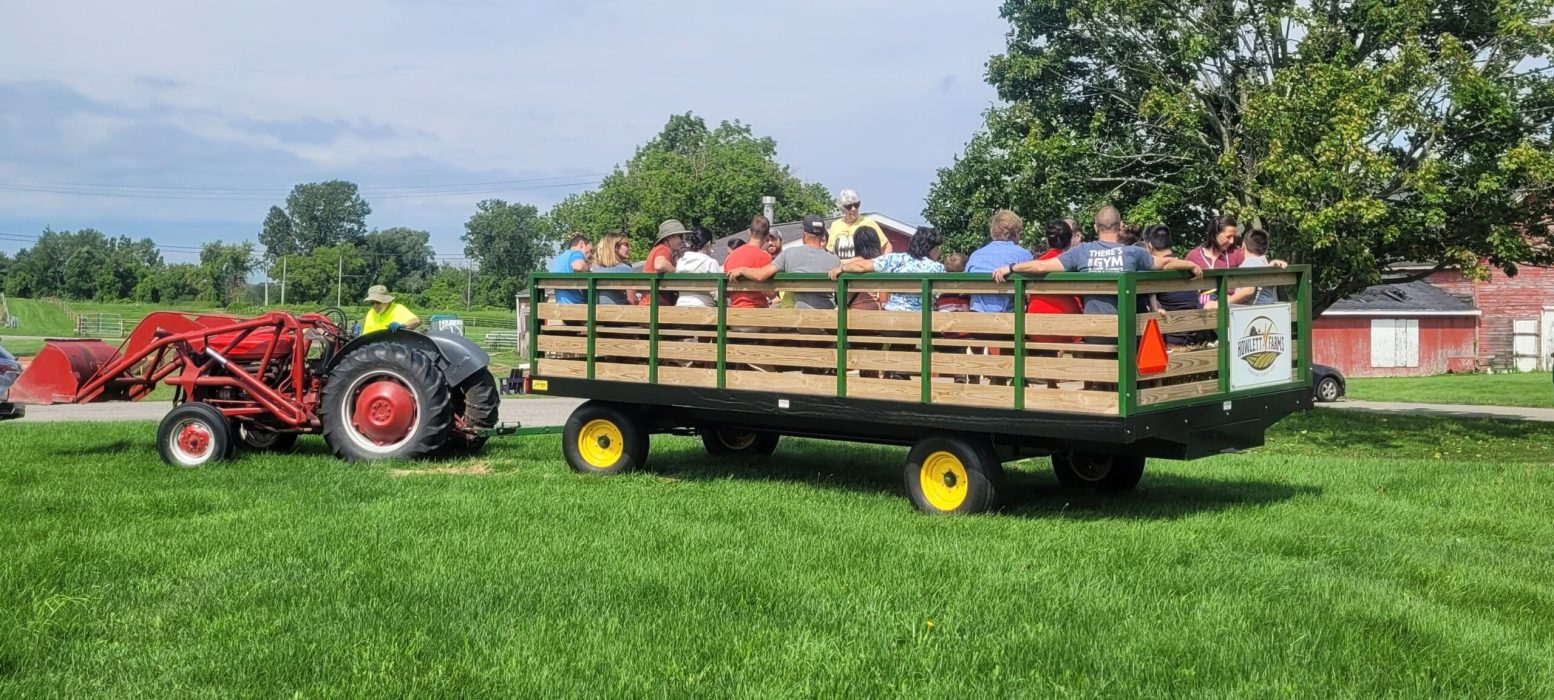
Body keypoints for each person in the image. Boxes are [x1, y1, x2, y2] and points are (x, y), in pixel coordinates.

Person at [994, 205, 1202, 316]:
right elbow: (1165, 263)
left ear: (1095, 227)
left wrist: (1011, 267)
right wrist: (1191, 264)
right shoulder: (1133, 253)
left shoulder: (1082, 251)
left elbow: (1039, 266)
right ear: (1120, 226)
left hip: (1094, 330)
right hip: (1126, 330)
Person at [728, 214, 840, 309]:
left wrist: (742, 270)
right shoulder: (835, 261)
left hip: (802, 322)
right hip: (829, 323)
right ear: (822, 236)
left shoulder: (789, 254)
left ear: (804, 235)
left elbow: (761, 276)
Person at [830, 226, 944, 311]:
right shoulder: (937, 268)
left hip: (892, 321)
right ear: (931, 249)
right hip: (924, 322)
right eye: (938, 248)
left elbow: (861, 266)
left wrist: (842, 268)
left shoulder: (894, 259)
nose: (939, 252)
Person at [1143, 225, 1212, 347]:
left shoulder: (1155, 273)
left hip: (1172, 341)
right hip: (1198, 337)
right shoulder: (1186, 267)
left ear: (1150, 246)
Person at [1025, 219, 1083, 342]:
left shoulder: (1037, 263)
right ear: (1069, 240)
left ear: (1048, 240)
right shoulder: (1070, 263)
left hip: (1034, 325)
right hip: (1066, 326)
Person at [967, 209, 1033, 313]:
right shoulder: (1023, 255)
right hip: (1012, 321)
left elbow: (964, 285)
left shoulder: (975, 256)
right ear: (1015, 233)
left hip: (978, 321)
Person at [726, 215, 776, 310]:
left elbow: (726, 292)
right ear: (767, 236)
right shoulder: (766, 258)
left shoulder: (730, 257)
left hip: (733, 313)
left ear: (749, 232)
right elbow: (772, 294)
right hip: (758, 313)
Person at [827, 189, 890, 260]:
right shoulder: (835, 225)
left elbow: (887, 246)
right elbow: (830, 251)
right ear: (842, 208)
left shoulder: (868, 223)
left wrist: (881, 263)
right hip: (840, 268)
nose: (853, 209)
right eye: (849, 206)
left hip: (863, 268)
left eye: (856, 205)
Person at [638, 219, 689, 306]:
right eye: (680, 236)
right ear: (669, 237)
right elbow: (660, 265)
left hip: (652, 303)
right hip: (655, 305)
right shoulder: (664, 249)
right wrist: (677, 271)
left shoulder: (659, 249)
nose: (682, 240)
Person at [674, 228, 723, 307]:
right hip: (703, 305)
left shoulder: (681, 261)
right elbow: (720, 293)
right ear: (708, 243)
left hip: (681, 304)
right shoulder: (710, 262)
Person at [846, 227, 885, 311]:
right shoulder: (878, 265)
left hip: (851, 312)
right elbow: (883, 299)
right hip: (874, 312)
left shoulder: (847, 265)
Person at [592, 232, 636, 305]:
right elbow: (633, 301)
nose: (629, 248)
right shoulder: (626, 270)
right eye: (626, 245)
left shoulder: (594, 269)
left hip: (596, 312)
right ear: (615, 247)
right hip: (619, 313)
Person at [548, 234, 593, 304]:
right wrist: (588, 267)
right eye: (590, 250)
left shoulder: (559, 258)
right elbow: (578, 266)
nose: (590, 255)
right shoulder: (576, 253)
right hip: (577, 306)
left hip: (561, 306)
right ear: (581, 244)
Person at [1240, 229, 1278, 305]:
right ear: (1266, 249)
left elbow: (1248, 290)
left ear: (1243, 245)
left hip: (1252, 309)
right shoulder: (1265, 264)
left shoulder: (1249, 263)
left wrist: (1226, 301)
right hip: (1269, 304)